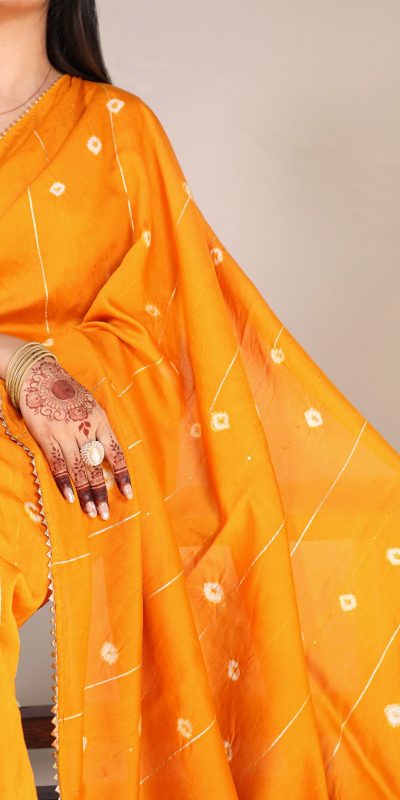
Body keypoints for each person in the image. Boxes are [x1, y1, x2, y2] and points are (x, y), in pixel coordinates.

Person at [0, 2, 399, 799]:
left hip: (44, 460)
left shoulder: (117, 130)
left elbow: (161, 332)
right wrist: (20, 363)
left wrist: (60, 385)